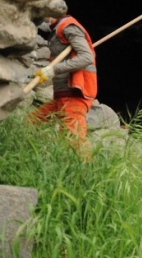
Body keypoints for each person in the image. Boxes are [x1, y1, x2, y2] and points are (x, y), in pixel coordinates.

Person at [29, 14, 97, 154]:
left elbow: (86, 57)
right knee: (31, 122)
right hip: (62, 96)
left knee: (75, 144)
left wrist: (53, 70)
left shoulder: (68, 26)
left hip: (75, 95)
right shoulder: (57, 29)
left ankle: (82, 174)